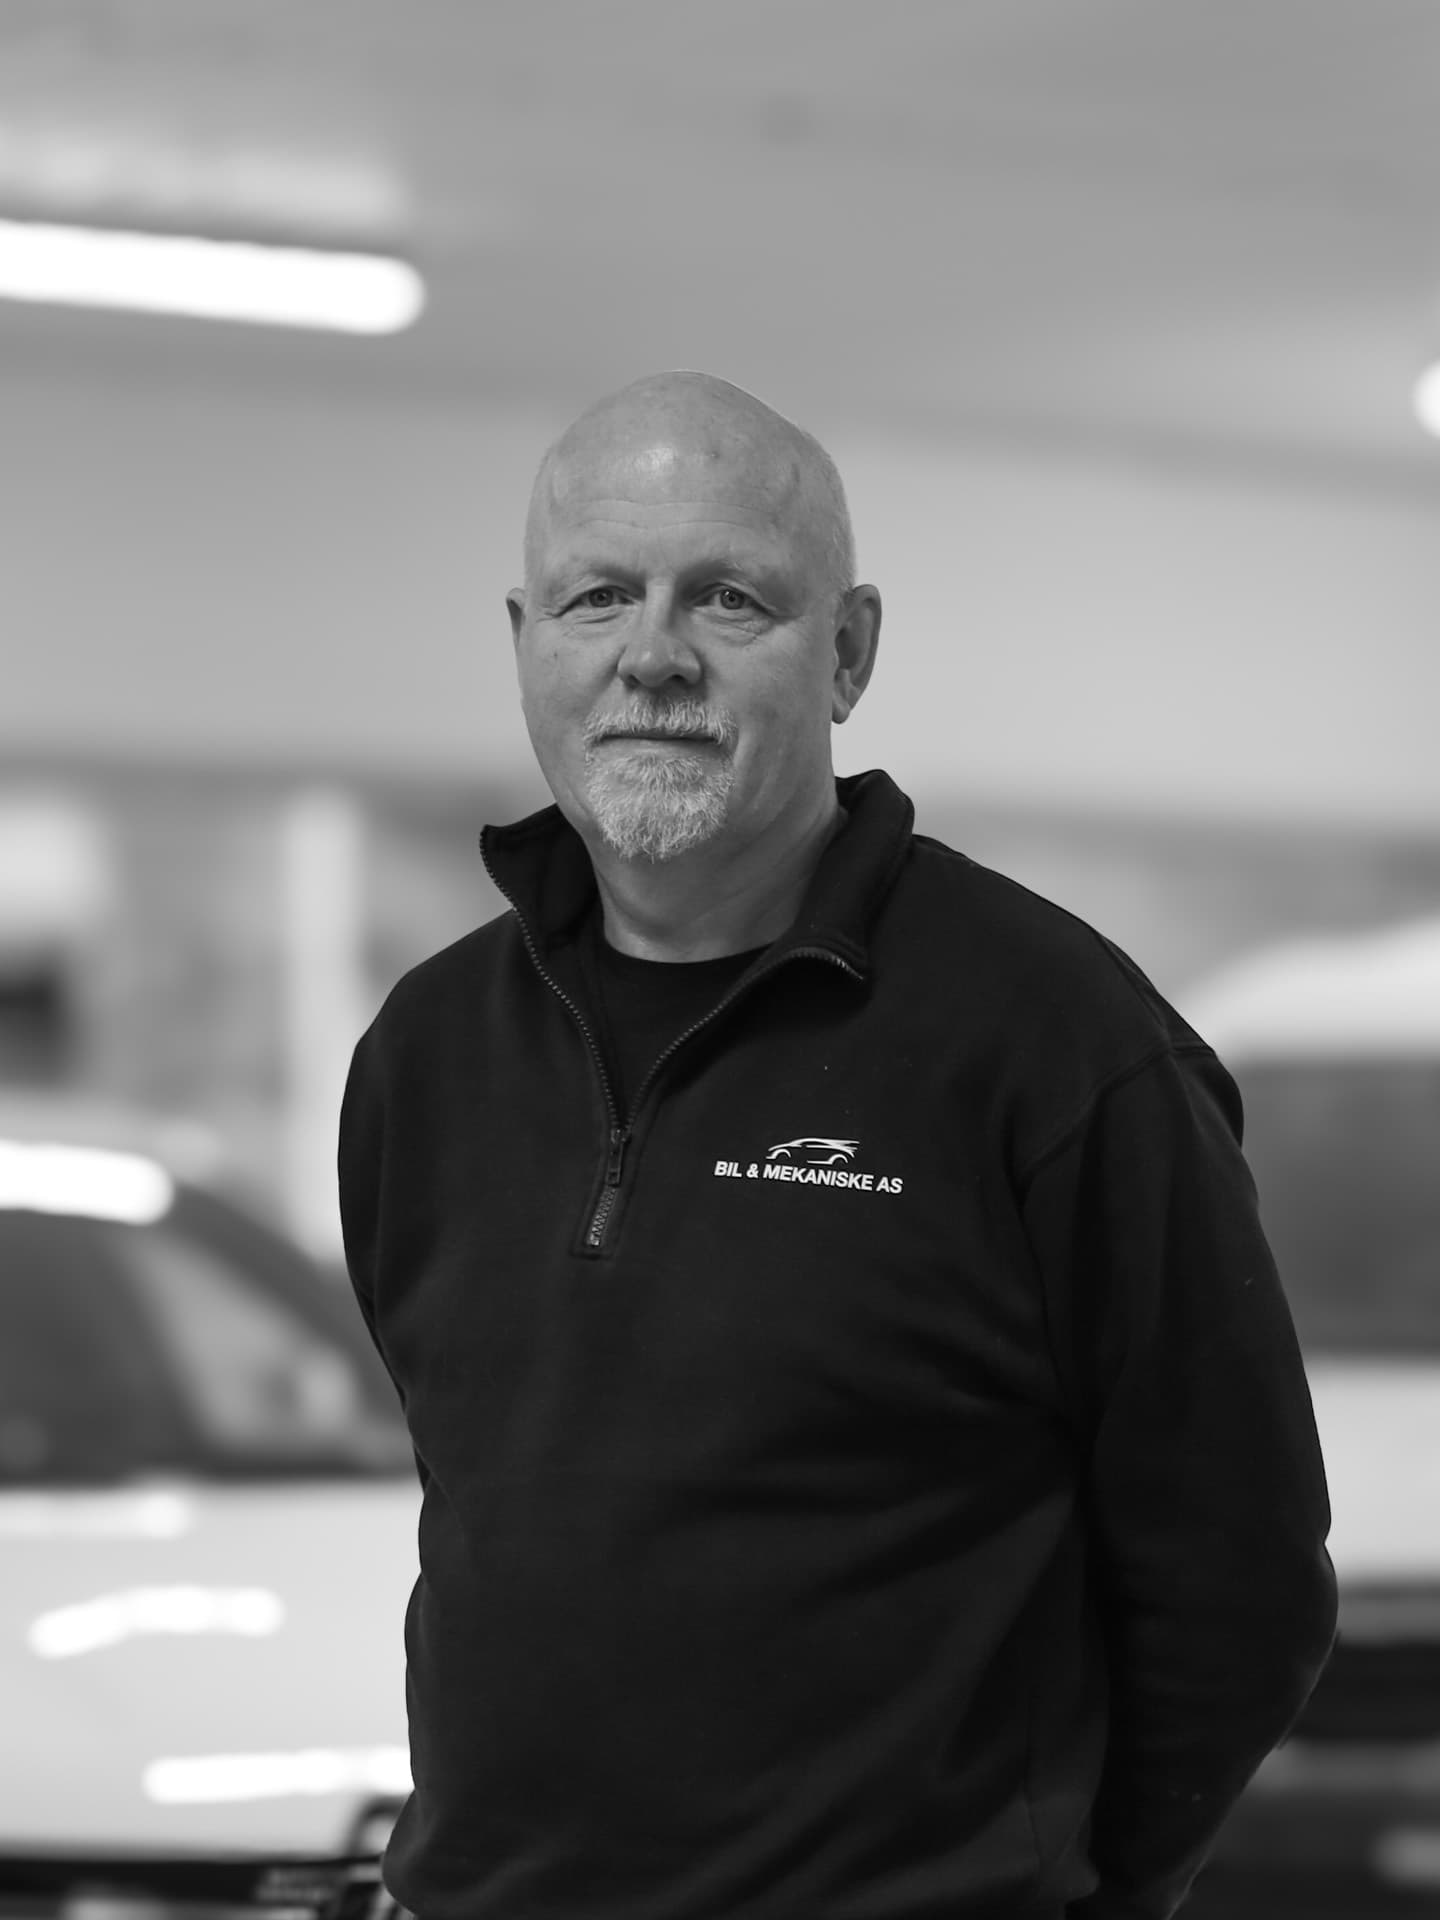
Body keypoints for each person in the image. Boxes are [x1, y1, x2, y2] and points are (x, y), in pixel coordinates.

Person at [338, 372, 1337, 1920]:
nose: (652, 654)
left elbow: (1240, 1578)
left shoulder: (1060, 1045)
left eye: (728, 598)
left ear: (850, 652)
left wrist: (1075, 1891)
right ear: (527, 640)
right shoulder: (429, 1053)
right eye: (598, 596)